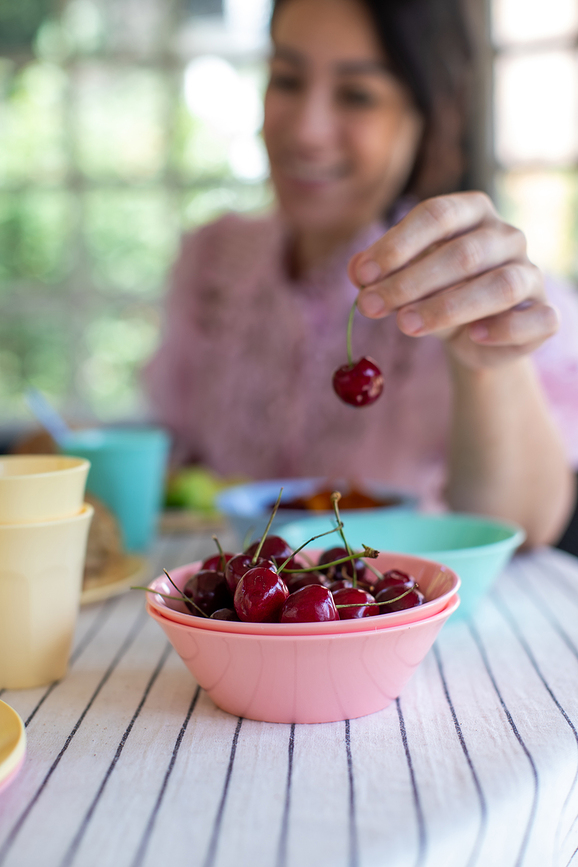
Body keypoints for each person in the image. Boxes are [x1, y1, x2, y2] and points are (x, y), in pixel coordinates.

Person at [144, 0, 578, 547]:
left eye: (357, 94)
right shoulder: (211, 262)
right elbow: (179, 463)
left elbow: (524, 527)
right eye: (287, 78)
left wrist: (488, 365)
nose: (307, 130)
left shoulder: (471, 287)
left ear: (428, 116)